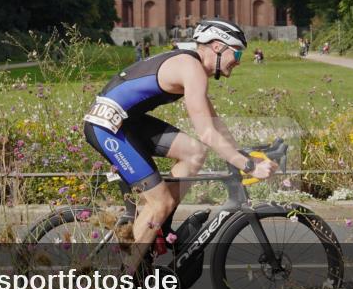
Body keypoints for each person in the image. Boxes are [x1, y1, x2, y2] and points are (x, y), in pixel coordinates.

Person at [82, 19, 278, 275]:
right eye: (237, 53)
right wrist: (248, 166)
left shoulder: (192, 67)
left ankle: (156, 225)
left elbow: (215, 124)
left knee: (194, 152)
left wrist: (241, 153)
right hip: (108, 127)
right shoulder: (191, 68)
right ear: (218, 47)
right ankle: (122, 282)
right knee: (160, 202)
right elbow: (206, 132)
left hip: (127, 123)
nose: (238, 61)